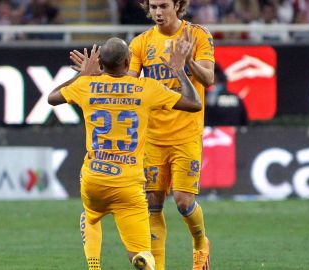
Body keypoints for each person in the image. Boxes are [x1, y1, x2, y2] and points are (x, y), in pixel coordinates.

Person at [70, 1, 215, 269]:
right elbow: (126, 83)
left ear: (178, 5)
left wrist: (186, 63)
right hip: (152, 138)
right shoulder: (140, 43)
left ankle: (199, 244)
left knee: (184, 203)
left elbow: (208, 79)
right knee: (153, 204)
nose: (158, 12)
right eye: (154, 7)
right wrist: (97, 76)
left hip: (186, 134)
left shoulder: (197, 35)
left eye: (164, 6)